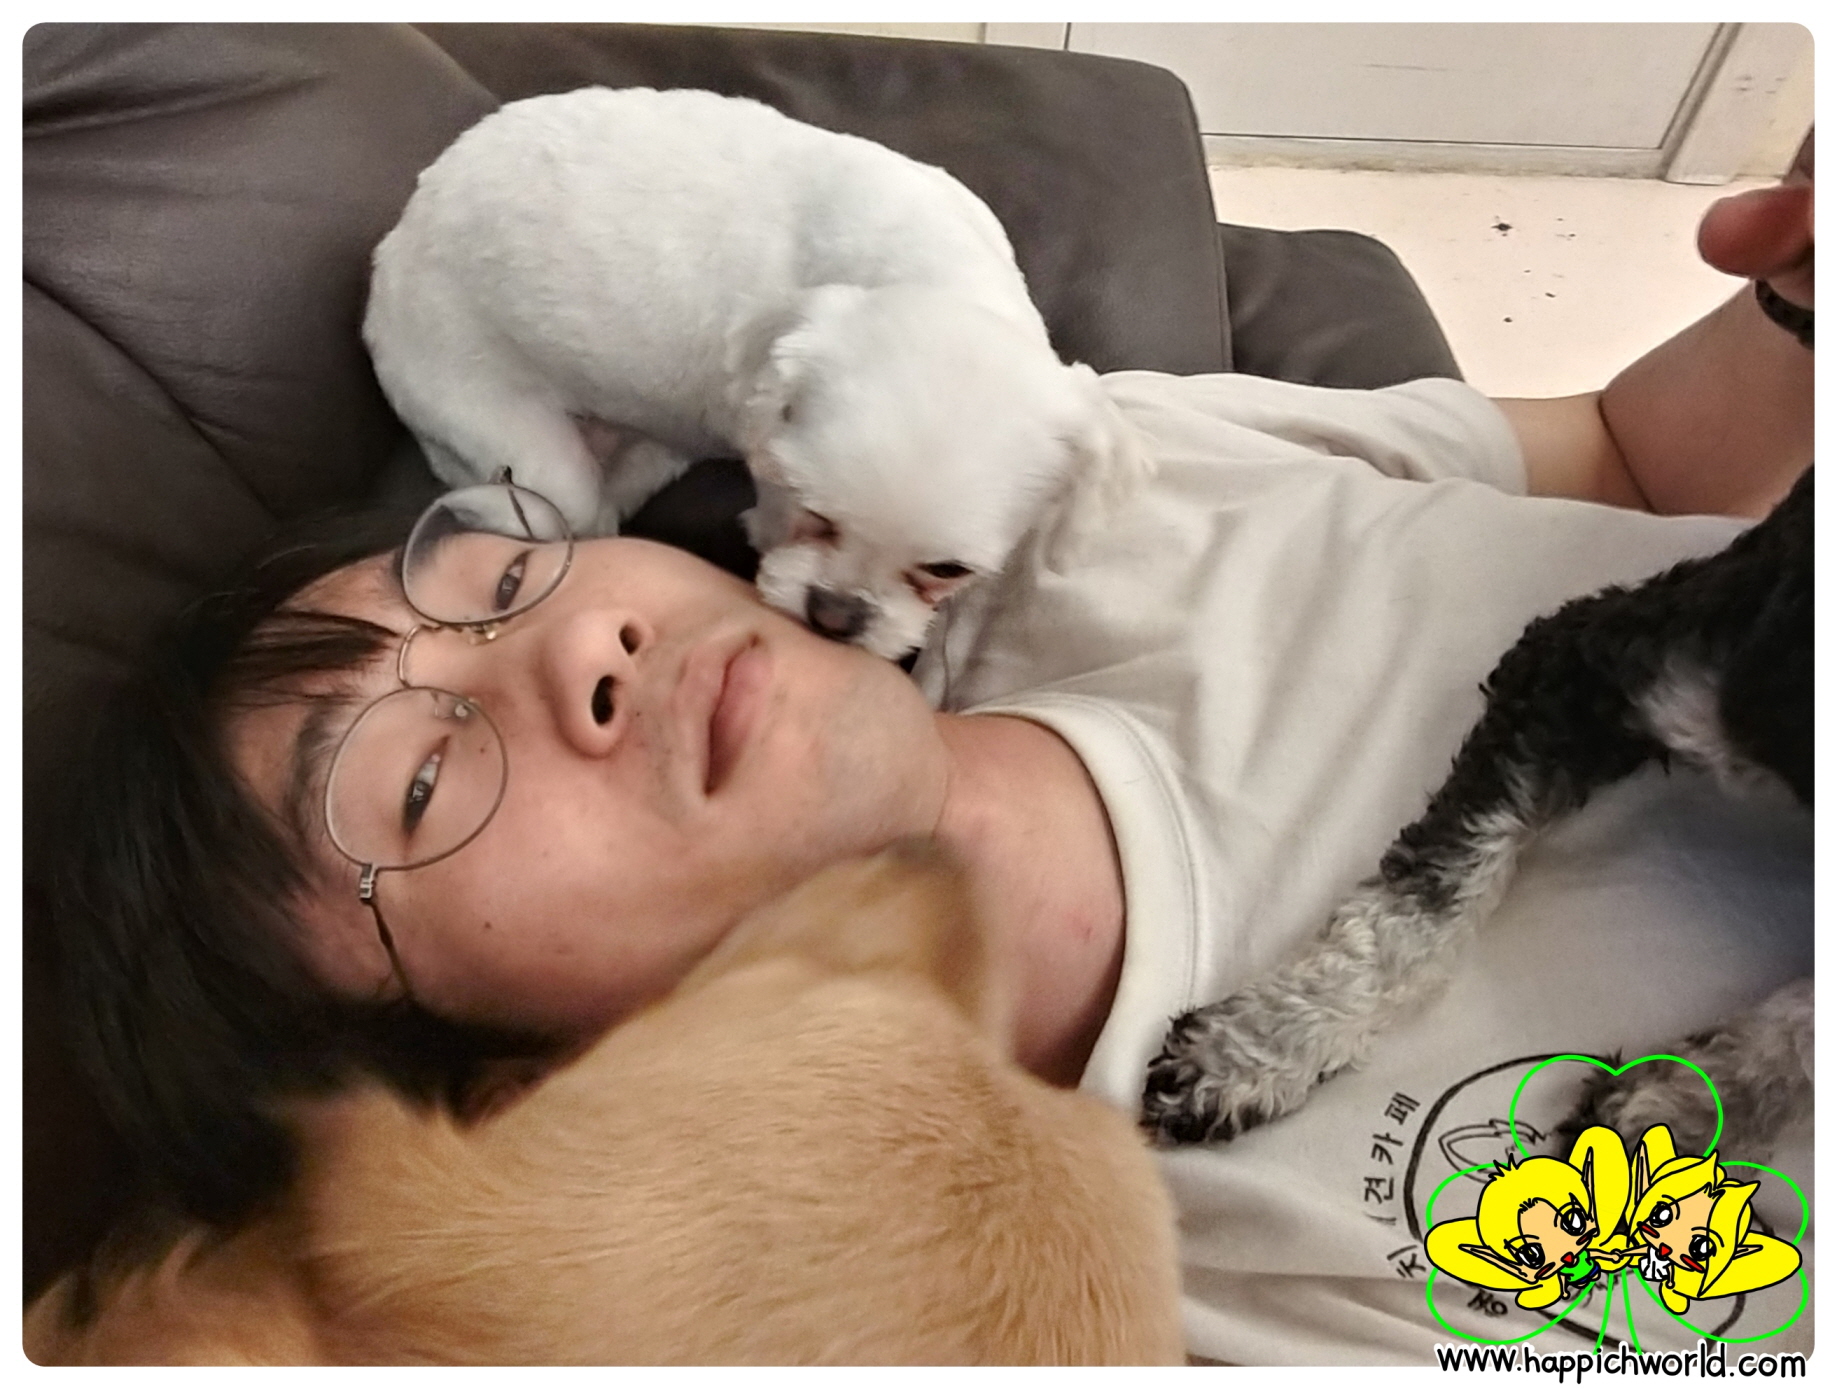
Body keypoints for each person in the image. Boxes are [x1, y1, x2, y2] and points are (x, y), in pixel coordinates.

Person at [57, 139, 1812, 1363]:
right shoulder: (1132, 1305)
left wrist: (1796, 287)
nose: (572, 649)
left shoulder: (1056, 471)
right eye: (421, 783)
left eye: (504, 572)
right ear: (507, 1097)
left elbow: (1629, 457)